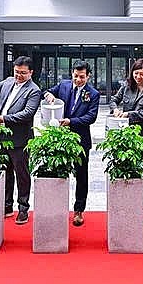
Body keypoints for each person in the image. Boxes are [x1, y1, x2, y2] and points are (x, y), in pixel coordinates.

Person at [0, 56, 41, 225]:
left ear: (31, 73)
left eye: (23, 73)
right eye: (16, 72)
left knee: (22, 175)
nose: (19, 76)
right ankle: (7, 206)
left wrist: (4, 119)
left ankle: (23, 208)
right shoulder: (8, 81)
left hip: (20, 139)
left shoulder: (34, 90)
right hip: (1, 137)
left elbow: (27, 113)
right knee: (4, 172)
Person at [43, 60, 100, 227]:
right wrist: (49, 95)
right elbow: (45, 91)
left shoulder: (93, 94)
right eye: (75, 76)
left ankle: (79, 210)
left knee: (81, 176)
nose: (78, 80)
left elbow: (91, 117)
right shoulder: (63, 85)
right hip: (60, 139)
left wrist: (71, 121)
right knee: (57, 171)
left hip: (81, 140)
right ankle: (56, 208)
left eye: (82, 77)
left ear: (88, 76)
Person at [110, 58, 143, 217]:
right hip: (127, 135)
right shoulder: (126, 86)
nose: (138, 77)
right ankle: (128, 204)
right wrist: (115, 109)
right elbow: (113, 100)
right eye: (136, 73)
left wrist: (129, 115)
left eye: (142, 74)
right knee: (128, 168)